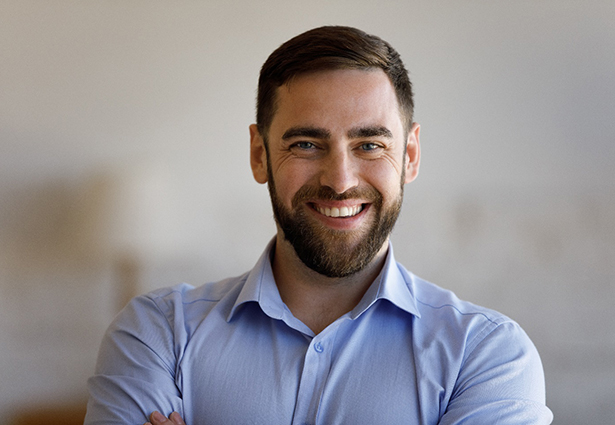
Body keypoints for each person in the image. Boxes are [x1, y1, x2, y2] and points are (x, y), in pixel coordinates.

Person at [84, 26, 553, 425]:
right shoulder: (157, 335)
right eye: (307, 144)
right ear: (259, 154)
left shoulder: (486, 356)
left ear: (409, 155)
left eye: (369, 144)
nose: (340, 181)